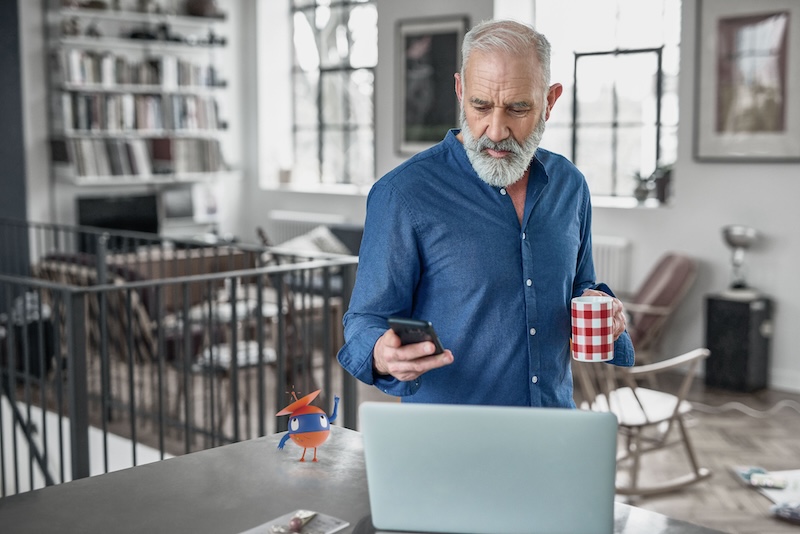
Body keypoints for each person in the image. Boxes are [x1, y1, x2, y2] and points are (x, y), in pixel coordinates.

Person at [336, 19, 634, 407]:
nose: (495, 130)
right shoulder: (403, 194)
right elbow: (364, 320)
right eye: (480, 105)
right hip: (452, 445)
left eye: (518, 108)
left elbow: (580, 288)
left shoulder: (570, 186)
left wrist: (605, 312)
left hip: (553, 432)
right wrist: (381, 352)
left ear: (550, 100)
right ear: (460, 90)